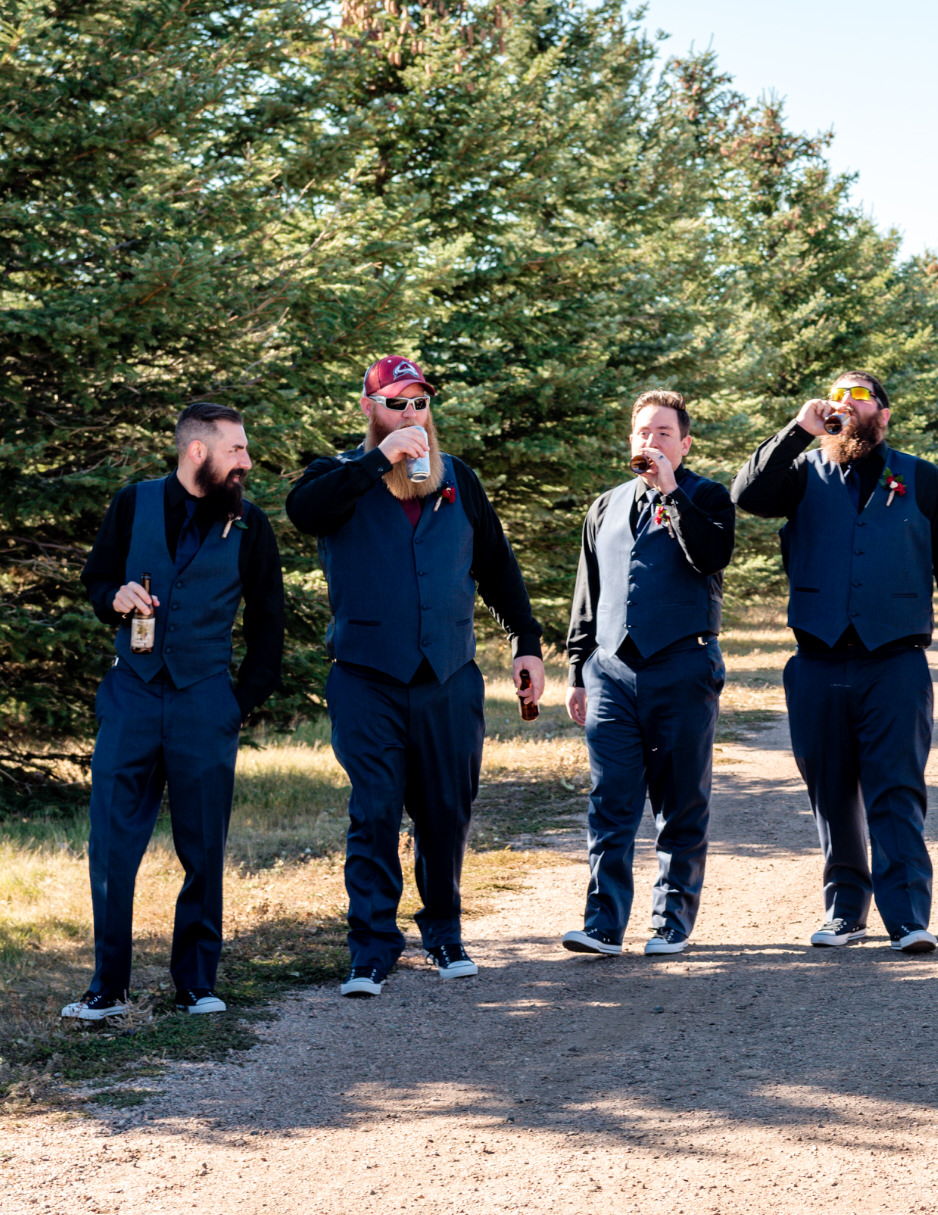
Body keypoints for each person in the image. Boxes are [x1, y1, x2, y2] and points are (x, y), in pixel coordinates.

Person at [286, 356, 546, 997]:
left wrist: (527, 644)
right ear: (370, 408)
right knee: (375, 808)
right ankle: (371, 950)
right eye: (397, 403)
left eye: (420, 404)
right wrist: (379, 460)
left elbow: (496, 566)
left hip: (448, 673)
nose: (412, 415)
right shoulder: (339, 476)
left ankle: (444, 934)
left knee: (445, 810)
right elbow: (303, 510)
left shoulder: (458, 479)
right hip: (366, 675)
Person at [732, 370, 938, 953]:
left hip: (894, 662)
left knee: (896, 789)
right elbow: (747, 495)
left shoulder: (923, 480)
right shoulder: (799, 472)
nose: (847, 406)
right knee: (831, 789)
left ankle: (907, 917)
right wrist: (798, 430)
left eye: (860, 397)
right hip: (816, 661)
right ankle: (846, 910)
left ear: (885, 415)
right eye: (838, 397)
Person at [64, 404, 285, 1021]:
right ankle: (108, 988)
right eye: (236, 450)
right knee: (110, 842)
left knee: (203, 844)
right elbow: (95, 582)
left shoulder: (250, 525)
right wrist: (115, 596)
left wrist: (235, 703)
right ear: (197, 452)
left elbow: (270, 625)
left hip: (204, 701)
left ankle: (196, 983)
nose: (246, 460)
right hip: (131, 696)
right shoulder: (131, 504)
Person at [561, 391, 734, 956]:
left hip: (682, 665)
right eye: (641, 432)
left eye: (662, 433)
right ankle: (603, 924)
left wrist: (672, 493)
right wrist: (577, 669)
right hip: (611, 670)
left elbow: (709, 557)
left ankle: (670, 922)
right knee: (609, 800)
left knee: (680, 800)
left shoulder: (708, 497)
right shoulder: (604, 506)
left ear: (684, 443)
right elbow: (588, 594)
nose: (649, 442)